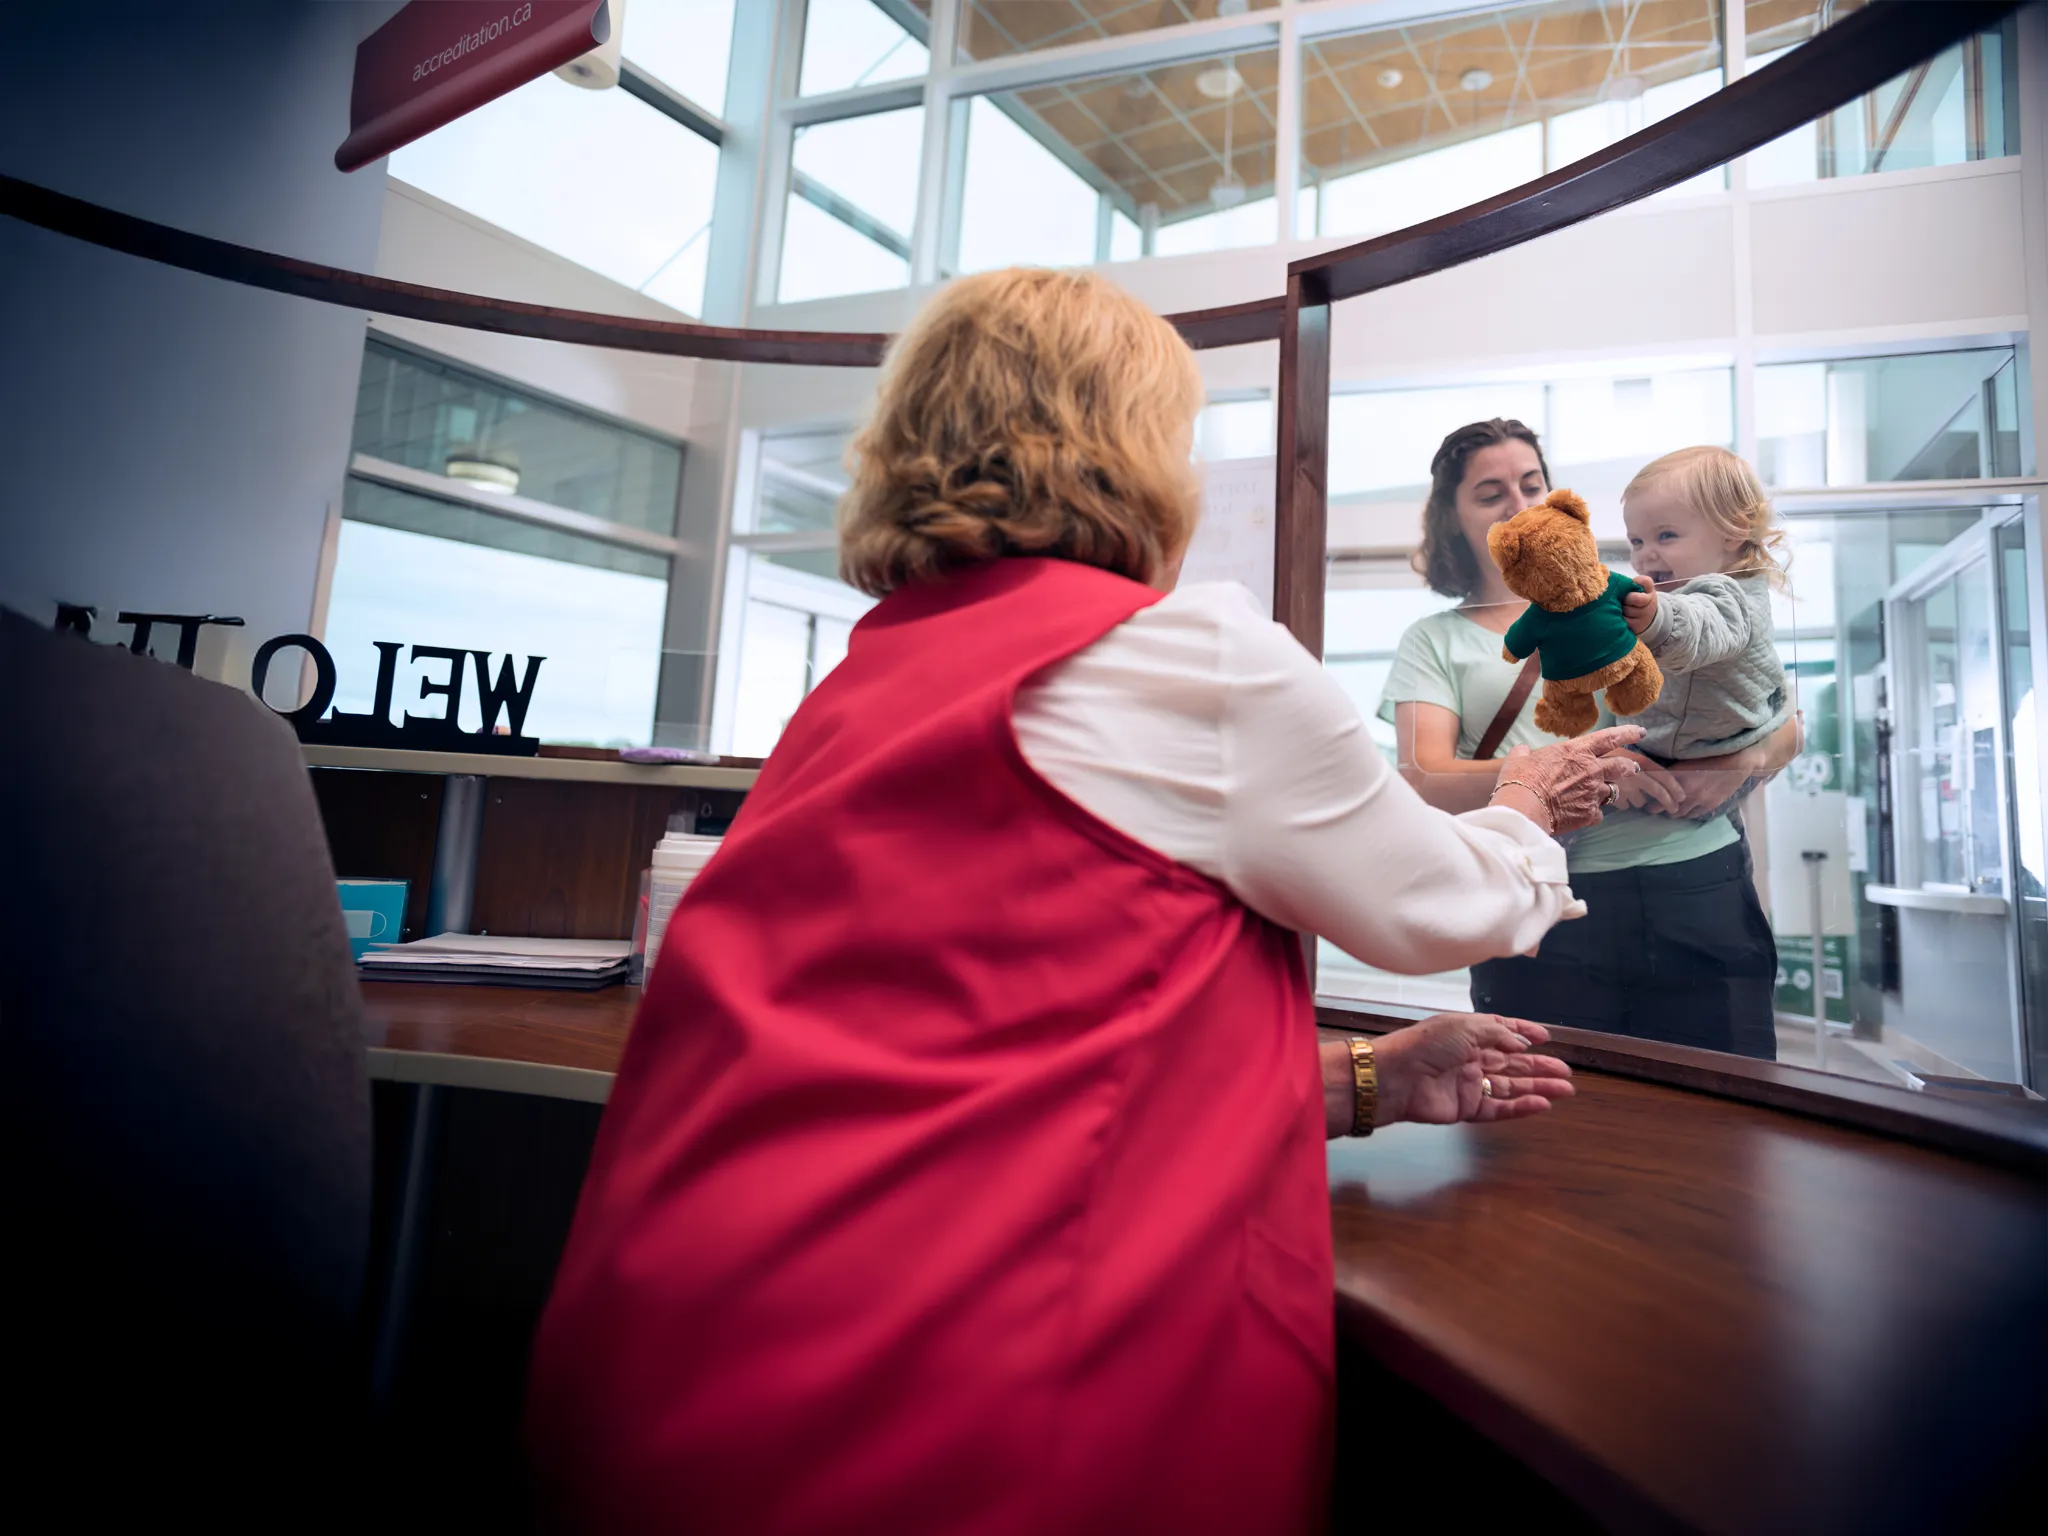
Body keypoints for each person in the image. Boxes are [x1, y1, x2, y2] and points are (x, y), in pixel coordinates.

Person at [524, 270, 1640, 1535]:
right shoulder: (1180, 656)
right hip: (951, 1427)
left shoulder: (862, 681)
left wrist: (1359, 1082)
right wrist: (1529, 804)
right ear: (1132, 453)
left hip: (672, 1377)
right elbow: (1443, 909)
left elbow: (977, 1037)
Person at [1381, 420, 1800, 1060]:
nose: (1521, 504)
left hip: (1698, 881)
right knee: (1552, 1121)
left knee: (1727, 1118)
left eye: (1531, 483)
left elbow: (1781, 721)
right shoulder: (1436, 638)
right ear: (1453, 518)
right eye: (1491, 494)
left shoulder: (1643, 594)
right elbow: (1424, 779)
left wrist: (1730, 763)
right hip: (1543, 895)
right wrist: (1583, 771)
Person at [1619, 445, 1793, 820]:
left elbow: (1697, 628)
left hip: (1710, 752)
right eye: (1637, 541)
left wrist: (1655, 619)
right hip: (1689, 748)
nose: (1645, 554)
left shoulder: (1729, 596)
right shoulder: (1701, 591)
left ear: (1732, 531)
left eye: (1665, 535)